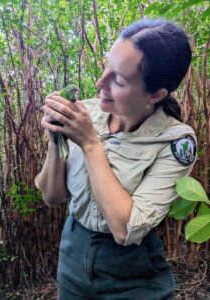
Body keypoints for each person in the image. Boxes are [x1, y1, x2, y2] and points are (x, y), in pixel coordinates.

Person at [35, 18, 197, 299]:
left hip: (132, 273)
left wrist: (89, 143)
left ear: (156, 94)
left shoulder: (176, 142)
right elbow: (52, 197)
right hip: (72, 254)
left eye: (118, 80)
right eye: (106, 66)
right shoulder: (86, 113)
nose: (100, 83)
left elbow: (125, 230)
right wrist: (56, 137)